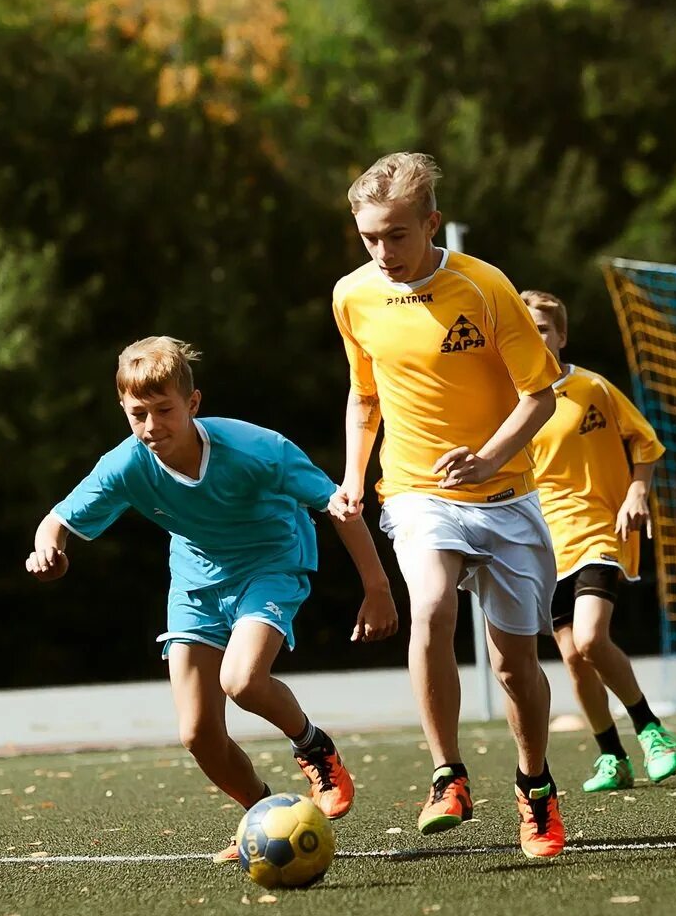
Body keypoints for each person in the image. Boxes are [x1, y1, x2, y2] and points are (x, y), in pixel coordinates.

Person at [28, 336, 399, 861]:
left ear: (193, 404)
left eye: (164, 410)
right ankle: (262, 814)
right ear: (124, 411)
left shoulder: (256, 449)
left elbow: (340, 506)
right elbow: (57, 521)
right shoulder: (126, 464)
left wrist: (378, 588)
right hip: (196, 586)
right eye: (138, 414)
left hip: (271, 565)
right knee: (198, 732)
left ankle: (315, 750)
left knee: (242, 680)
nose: (152, 426)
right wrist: (48, 550)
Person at [328, 152, 566, 859]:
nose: (382, 252)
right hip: (415, 488)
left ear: (432, 223)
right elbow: (364, 394)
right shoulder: (352, 295)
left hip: (507, 496)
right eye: (369, 237)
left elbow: (540, 393)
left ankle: (535, 789)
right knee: (429, 604)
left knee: (512, 666)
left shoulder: (485, 286)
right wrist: (351, 475)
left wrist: (490, 456)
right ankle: (447, 774)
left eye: (396, 235)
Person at [519, 289, 676, 791]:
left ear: (561, 335)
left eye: (544, 329)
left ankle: (651, 730)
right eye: (528, 330)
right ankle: (613, 757)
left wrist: (637, 490)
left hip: (597, 531)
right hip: (542, 545)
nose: (537, 338)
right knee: (572, 656)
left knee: (591, 638)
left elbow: (647, 443)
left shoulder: (593, 388)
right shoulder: (507, 400)